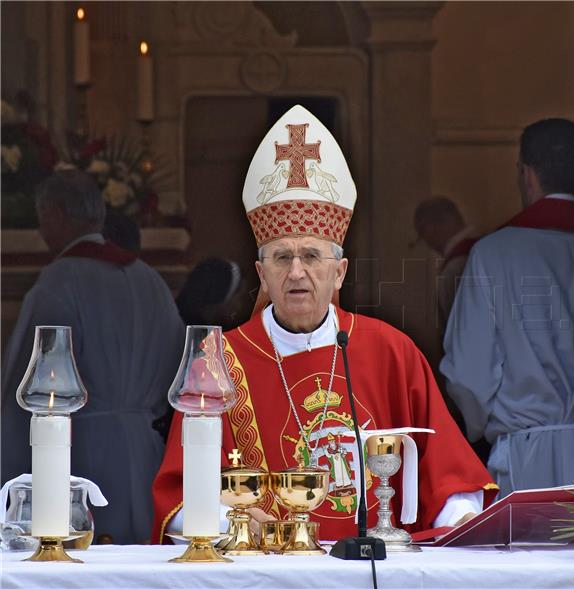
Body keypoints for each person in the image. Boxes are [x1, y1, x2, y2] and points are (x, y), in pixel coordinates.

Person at [151, 105, 496, 543]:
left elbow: (452, 476)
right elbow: (180, 501)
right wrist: (235, 523)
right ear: (261, 275)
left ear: (340, 272)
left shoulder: (392, 351)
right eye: (281, 257)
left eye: (312, 256)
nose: (296, 272)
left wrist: (460, 519)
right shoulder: (219, 363)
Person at [1, 169, 185, 544]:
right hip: (146, 454)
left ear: (53, 214)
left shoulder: (58, 283)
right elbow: (178, 370)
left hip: (82, 455)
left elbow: (28, 387)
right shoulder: (151, 280)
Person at [440, 119, 574, 498]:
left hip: (526, 456)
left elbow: (468, 372)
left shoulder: (493, 254)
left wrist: (482, 426)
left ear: (528, 175)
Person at [413, 197, 479, 324]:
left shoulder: (454, 268)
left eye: (422, 232)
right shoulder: (491, 247)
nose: (426, 240)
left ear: (431, 227)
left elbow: (459, 329)